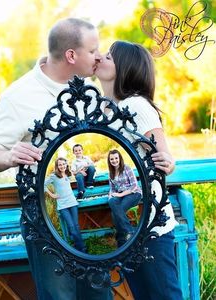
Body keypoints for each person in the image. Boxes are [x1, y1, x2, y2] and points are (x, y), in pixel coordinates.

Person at [0, 18, 112, 300]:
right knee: (59, 296)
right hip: (45, 216)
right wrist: (9, 156)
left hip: (90, 209)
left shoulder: (91, 87)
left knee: (99, 294)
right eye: (93, 50)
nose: (100, 55)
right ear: (71, 55)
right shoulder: (18, 96)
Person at [95, 41, 183, 300]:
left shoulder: (135, 105)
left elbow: (164, 155)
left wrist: (167, 161)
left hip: (151, 222)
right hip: (133, 223)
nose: (101, 57)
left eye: (109, 56)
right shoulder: (107, 108)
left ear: (124, 67)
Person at [44, 157, 86, 252]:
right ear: (57, 166)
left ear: (66, 164)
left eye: (63, 164)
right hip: (63, 206)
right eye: (60, 164)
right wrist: (52, 195)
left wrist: (82, 171)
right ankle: (82, 248)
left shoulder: (68, 174)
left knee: (76, 225)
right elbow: (42, 185)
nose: (62, 166)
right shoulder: (53, 176)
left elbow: (77, 175)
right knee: (71, 227)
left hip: (72, 203)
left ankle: (78, 246)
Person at [107, 149, 142, 246]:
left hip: (133, 193)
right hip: (121, 195)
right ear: (109, 161)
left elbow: (134, 185)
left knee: (116, 213)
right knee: (112, 202)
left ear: (120, 158)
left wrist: (120, 195)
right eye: (112, 159)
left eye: (116, 158)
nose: (114, 160)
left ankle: (121, 240)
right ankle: (129, 232)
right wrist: (111, 196)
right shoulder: (111, 173)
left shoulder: (127, 168)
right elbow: (112, 189)